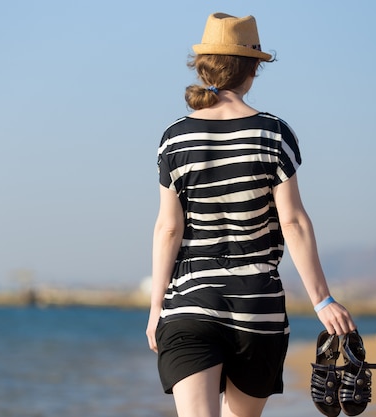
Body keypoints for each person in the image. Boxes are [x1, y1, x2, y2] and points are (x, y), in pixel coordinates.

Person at [145, 12, 357, 417]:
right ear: (253, 68)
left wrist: (157, 309)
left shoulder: (174, 138)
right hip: (256, 306)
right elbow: (293, 222)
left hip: (191, 305)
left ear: (204, 65)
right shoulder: (274, 133)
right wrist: (322, 299)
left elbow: (168, 229)